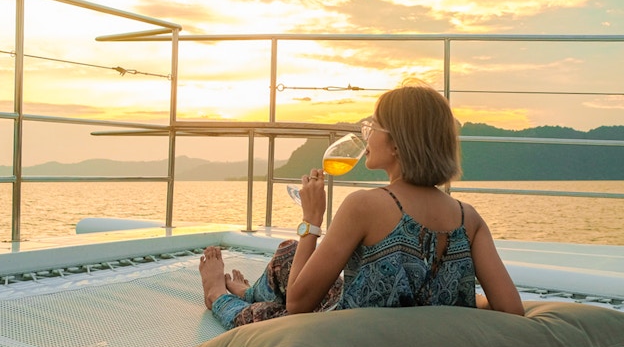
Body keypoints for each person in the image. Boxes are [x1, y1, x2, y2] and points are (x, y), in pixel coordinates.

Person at [199, 80, 525, 330]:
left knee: (274, 313)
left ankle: (218, 293)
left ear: (396, 143)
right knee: (287, 252)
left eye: (372, 126)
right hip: (393, 320)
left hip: (345, 333)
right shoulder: (470, 218)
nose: (365, 136)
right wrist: (453, 302)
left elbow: (299, 304)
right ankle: (248, 290)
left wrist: (312, 221)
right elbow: (511, 310)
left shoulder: (364, 206)